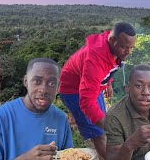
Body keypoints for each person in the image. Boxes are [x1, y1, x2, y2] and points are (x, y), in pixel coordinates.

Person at [58, 22, 136, 159]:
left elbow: (109, 67)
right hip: (74, 91)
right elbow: (87, 102)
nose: (128, 52)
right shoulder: (94, 61)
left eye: (131, 48)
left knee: (104, 128)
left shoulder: (113, 46)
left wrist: (107, 83)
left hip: (93, 85)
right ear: (112, 40)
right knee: (99, 133)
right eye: (124, 47)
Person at [0, 58, 73, 160]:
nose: (43, 90)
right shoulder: (1, 117)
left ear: (58, 86)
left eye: (51, 83)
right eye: (37, 81)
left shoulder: (60, 119)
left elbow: (69, 156)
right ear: (26, 82)